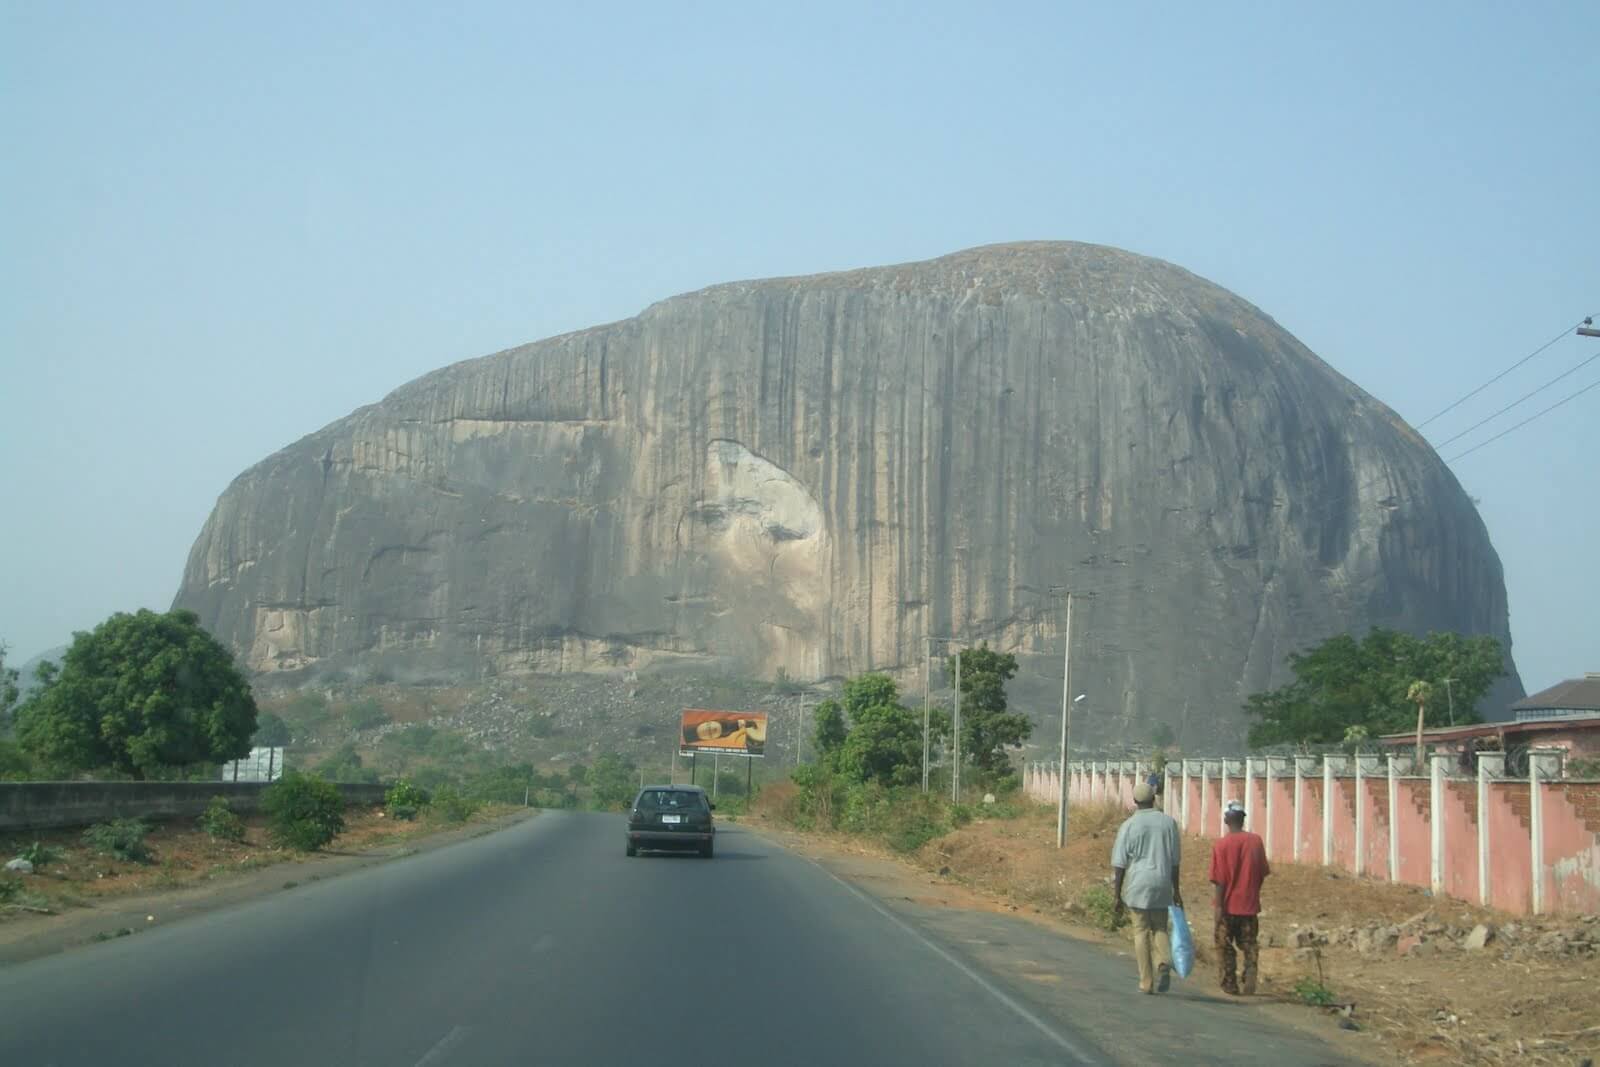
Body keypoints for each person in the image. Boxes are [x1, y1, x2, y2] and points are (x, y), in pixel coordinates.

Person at [1111, 781, 1183, 994]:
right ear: (1154, 798)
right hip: (1162, 881)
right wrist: (1176, 890)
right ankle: (1164, 961)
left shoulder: (1129, 826)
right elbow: (1175, 861)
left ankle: (1146, 982)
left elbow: (1120, 863)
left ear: (1135, 802)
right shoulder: (1169, 823)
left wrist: (1116, 895)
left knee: (1140, 931)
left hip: (1137, 883)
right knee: (1159, 927)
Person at [1209, 799, 1270, 995]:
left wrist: (1218, 909)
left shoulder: (1221, 845)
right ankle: (1250, 973)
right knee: (1249, 943)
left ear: (1226, 819)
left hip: (1228, 906)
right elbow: (1262, 873)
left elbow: (1220, 880)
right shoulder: (1256, 842)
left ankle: (1229, 983)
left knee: (1224, 945)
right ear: (1243, 819)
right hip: (1249, 905)